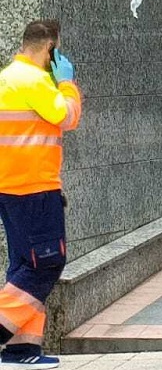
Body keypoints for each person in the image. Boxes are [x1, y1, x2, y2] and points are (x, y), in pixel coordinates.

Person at [0, 20, 82, 368]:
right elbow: (67, 116)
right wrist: (65, 81)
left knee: (25, 264)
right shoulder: (33, 80)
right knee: (45, 263)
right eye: (57, 52)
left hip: (13, 186)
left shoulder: (8, 77)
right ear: (50, 48)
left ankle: (21, 349)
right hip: (35, 186)